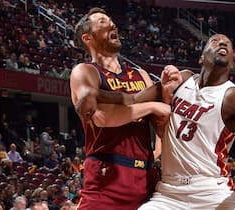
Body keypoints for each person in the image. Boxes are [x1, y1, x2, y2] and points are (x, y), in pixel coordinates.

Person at [138, 33, 235, 210]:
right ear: (202, 57)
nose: (223, 42)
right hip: (169, 193)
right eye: (215, 41)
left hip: (211, 193)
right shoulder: (184, 79)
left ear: (232, 62)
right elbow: (134, 101)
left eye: (228, 43)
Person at [70, 7, 170, 209]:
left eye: (111, 21)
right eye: (102, 23)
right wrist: (152, 105)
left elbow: (161, 124)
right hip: (106, 177)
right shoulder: (85, 72)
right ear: (88, 38)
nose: (112, 24)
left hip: (145, 178)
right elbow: (103, 118)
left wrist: (167, 95)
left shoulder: (140, 74)